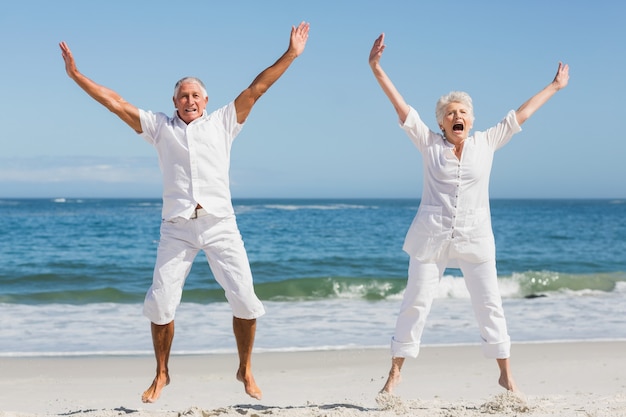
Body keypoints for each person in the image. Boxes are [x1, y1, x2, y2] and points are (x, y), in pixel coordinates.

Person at [59, 21, 310, 403]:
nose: (189, 100)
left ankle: (245, 367)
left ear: (206, 101)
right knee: (161, 303)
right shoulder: (160, 127)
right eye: (182, 96)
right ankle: (162, 373)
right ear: (174, 102)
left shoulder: (224, 122)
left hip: (220, 224)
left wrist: (290, 54)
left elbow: (258, 88)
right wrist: (76, 75)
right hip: (176, 227)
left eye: (195, 95)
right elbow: (115, 101)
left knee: (244, 298)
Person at [368, 33, 569, 395]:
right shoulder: (428, 143)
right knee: (415, 303)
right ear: (442, 123)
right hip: (431, 238)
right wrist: (376, 68)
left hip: (475, 239)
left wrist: (554, 86)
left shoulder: (486, 143)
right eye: (450, 113)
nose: (456, 116)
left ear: (471, 121)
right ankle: (395, 374)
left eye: (462, 112)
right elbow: (402, 108)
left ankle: (506, 375)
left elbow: (521, 114)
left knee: (490, 305)